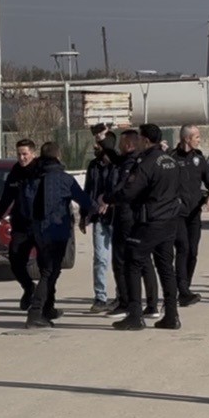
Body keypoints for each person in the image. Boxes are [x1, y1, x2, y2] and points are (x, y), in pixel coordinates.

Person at [102, 124, 182, 330]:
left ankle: (135, 315)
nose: (136, 142)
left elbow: (130, 190)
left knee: (132, 261)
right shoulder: (170, 160)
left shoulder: (146, 162)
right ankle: (171, 315)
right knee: (166, 267)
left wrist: (108, 198)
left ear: (146, 140)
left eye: (138, 138)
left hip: (150, 220)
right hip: (169, 220)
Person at [27, 142, 94, 328]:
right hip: (56, 231)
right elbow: (84, 201)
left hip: (38, 230)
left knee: (49, 270)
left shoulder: (34, 177)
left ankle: (48, 308)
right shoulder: (64, 179)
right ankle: (35, 312)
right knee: (49, 272)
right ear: (58, 156)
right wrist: (99, 209)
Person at [107, 129, 160, 320]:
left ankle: (126, 303)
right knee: (144, 261)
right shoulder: (141, 160)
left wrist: (108, 198)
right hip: (140, 217)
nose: (118, 147)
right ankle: (152, 305)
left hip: (127, 217)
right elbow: (114, 157)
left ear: (129, 144)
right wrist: (103, 139)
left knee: (122, 261)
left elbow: (124, 188)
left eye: (121, 143)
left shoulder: (131, 164)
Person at [171, 125, 209, 307]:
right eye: (196, 137)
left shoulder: (199, 158)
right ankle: (182, 290)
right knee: (183, 248)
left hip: (194, 213)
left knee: (193, 252)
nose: (199, 140)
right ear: (186, 139)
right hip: (177, 213)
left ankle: (185, 289)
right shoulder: (171, 158)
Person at [0, 139, 38, 310]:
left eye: (25, 154)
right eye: (19, 154)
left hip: (41, 225)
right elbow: (6, 198)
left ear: (33, 153)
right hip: (21, 225)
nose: (21, 158)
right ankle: (28, 287)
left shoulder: (41, 170)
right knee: (15, 259)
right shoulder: (15, 171)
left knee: (46, 265)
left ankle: (44, 303)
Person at [84, 133, 120, 313]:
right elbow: (88, 190)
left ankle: (121, 296)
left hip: (118, 218)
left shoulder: (119, 165)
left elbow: (124, 189)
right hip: (99, 218)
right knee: (100, 259)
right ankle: (100, 297)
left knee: (119, 260)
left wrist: (110, 201)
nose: (95, 147)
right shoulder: (93, 165)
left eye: (98, 143)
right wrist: (85, 214)